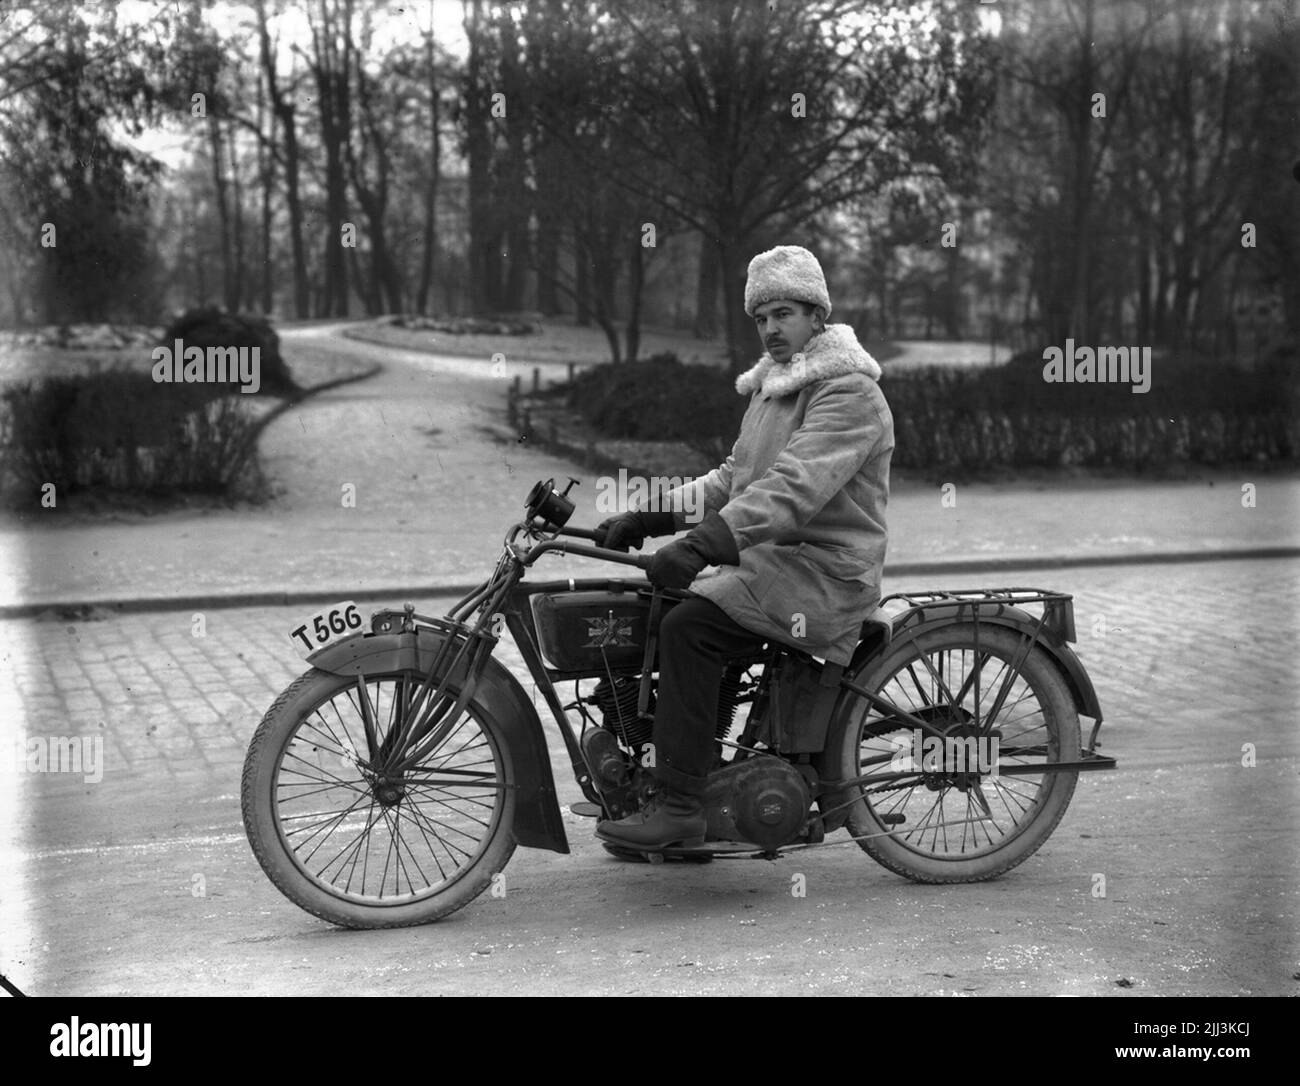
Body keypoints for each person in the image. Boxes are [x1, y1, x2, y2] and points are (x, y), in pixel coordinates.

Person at [593, 244, 895, 850]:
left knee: (690, 629)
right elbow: (733, 479)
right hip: (771, 560)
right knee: (646, 609)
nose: (771, 329)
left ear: (817, 315)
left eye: (783, 313)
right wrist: (648, 515)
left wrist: (705, 545)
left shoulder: (847, 392)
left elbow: (793, 489)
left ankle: (681, 807)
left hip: (823, 572)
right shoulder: (772, 389)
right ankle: (659, 777)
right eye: (761, 318)